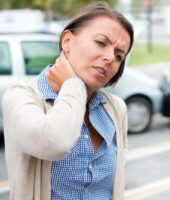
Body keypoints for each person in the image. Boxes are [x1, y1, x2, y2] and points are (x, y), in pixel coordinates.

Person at [1, 1, 134, 199]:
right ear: (67, 41)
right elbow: (55, 142)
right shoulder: (20, 96)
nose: (109, 57)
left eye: (118, 55)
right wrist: (73, 84)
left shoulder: (116, 109)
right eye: (100, 42)